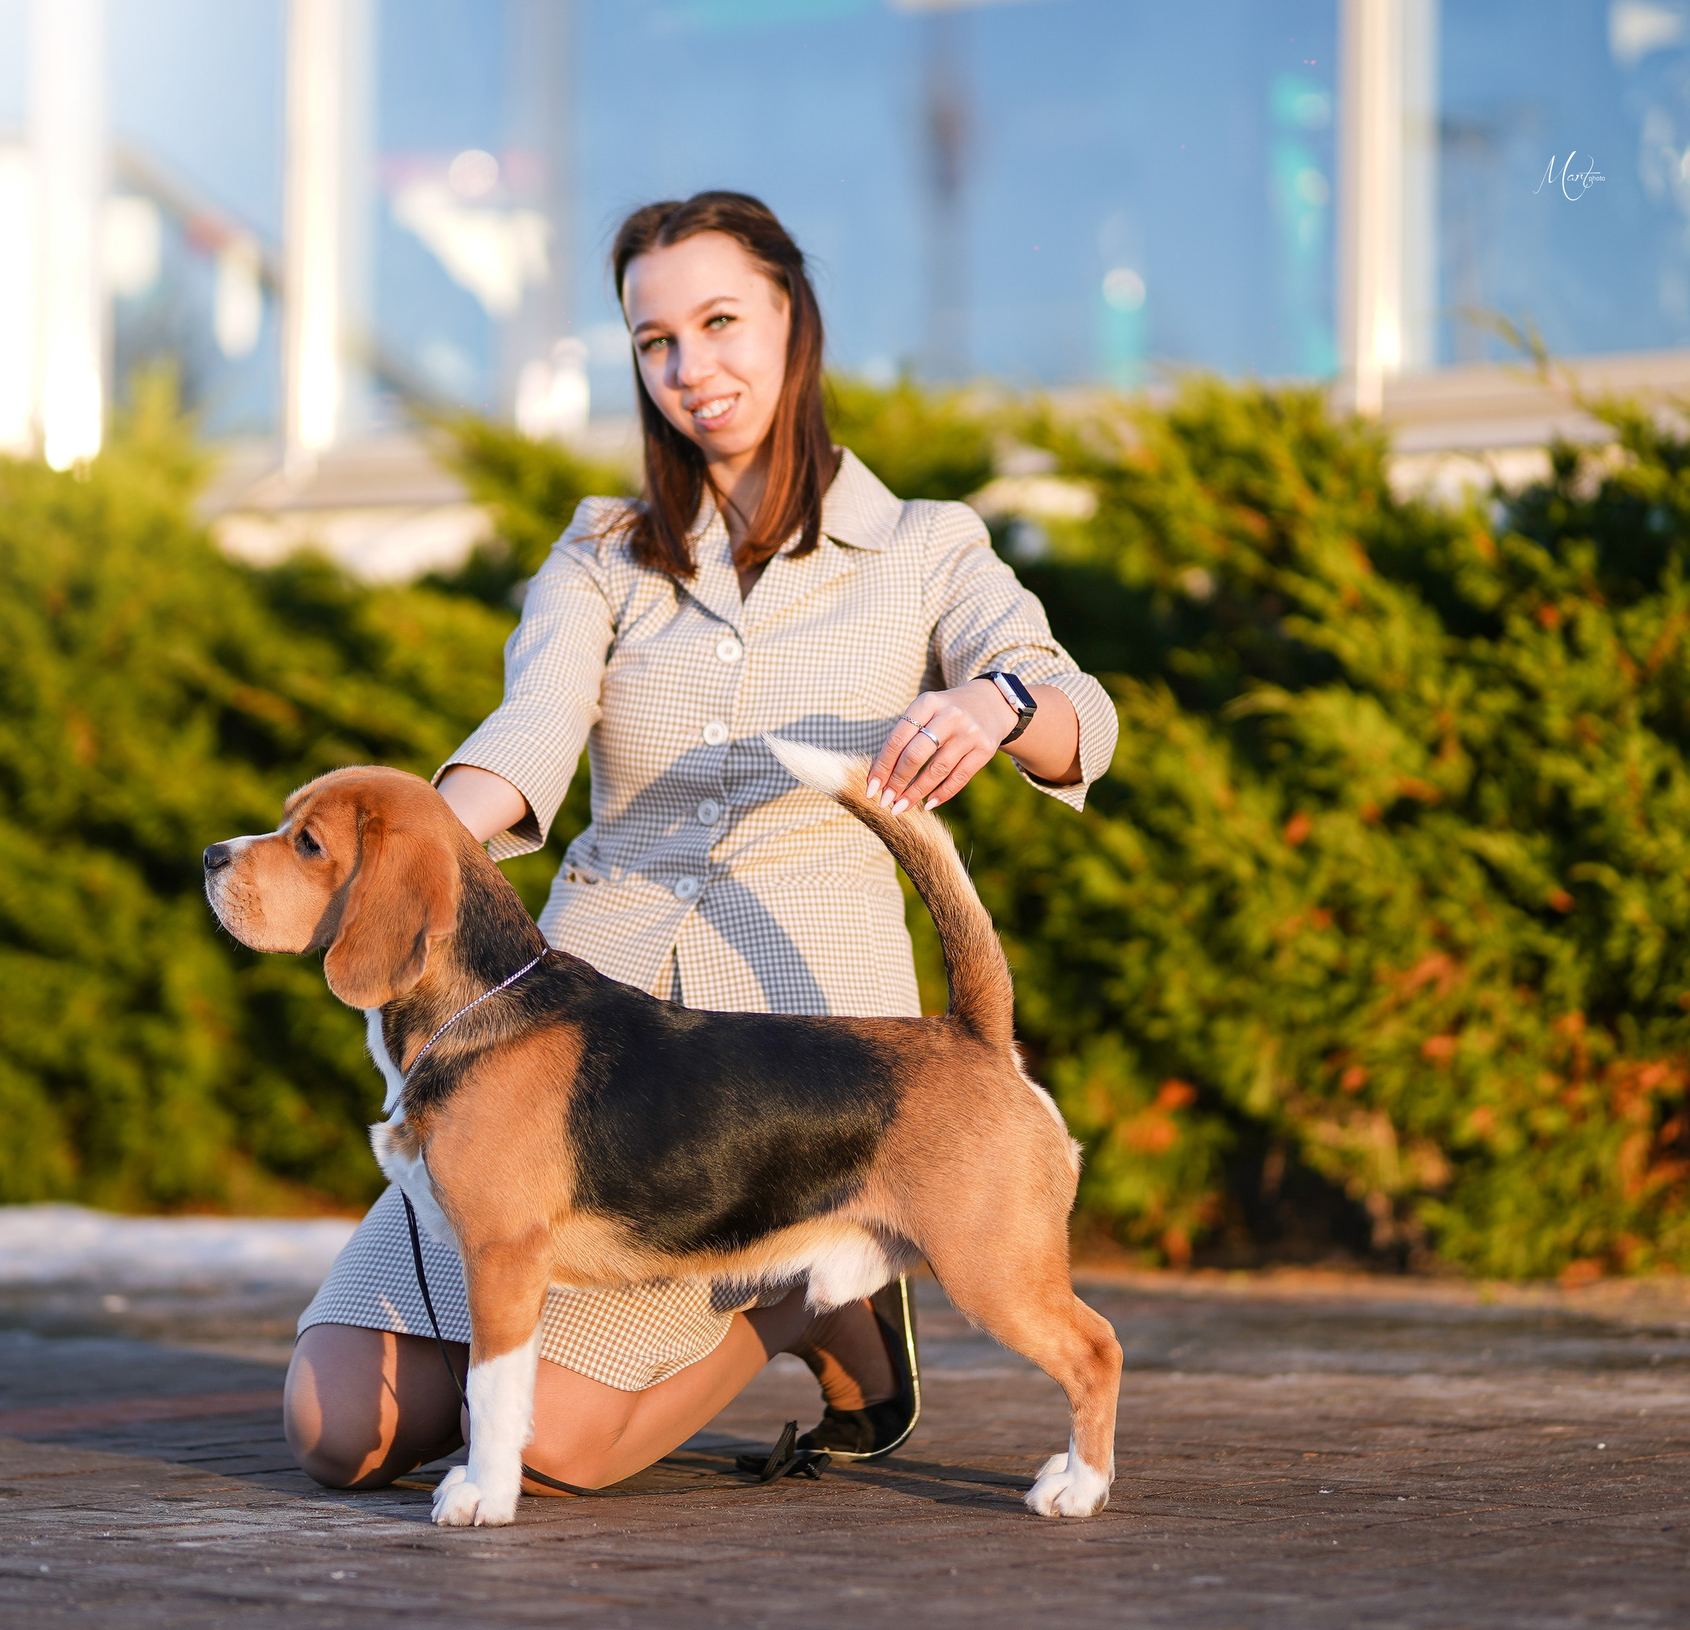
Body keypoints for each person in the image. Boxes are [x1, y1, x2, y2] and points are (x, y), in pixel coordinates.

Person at [282, 190, 1117, 1493]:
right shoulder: (602, 553)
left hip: (790, 1077)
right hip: (576, 1052)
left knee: (554, 1445)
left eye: (721, 321)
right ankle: (817, 1295)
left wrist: (999, 703)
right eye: (655, 340)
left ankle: (810, 1285)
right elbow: (528, 735)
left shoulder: (924, 547)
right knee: (341, 1427)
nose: (691, 367)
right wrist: (416, 851)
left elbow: (1077, 712)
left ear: (793, 319)